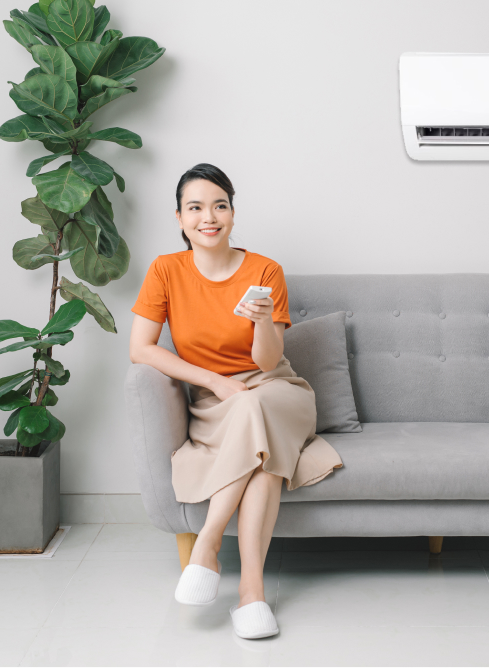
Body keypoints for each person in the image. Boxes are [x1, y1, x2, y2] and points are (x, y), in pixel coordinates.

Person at [128, 164, 342, 639]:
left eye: (220, 205)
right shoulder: (166, 270)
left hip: (278, 391)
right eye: (196, 207)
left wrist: (264, 321)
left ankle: (207, 547)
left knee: (256, 408)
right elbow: (141, 348)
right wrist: (215, 382)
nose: (210, 216)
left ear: (232, 212)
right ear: (180, 217)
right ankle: (252, 594)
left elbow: (268, 363)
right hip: (217, 402)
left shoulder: (265, 270)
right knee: (263, 458)